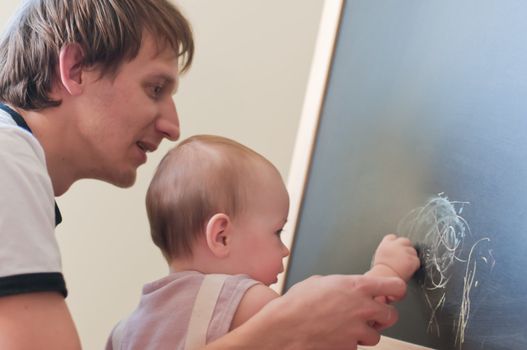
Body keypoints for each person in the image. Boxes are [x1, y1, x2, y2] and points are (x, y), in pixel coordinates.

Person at [0, 1, 416, 349]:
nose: (173, 126)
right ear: (75, 70)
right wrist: (283, 327)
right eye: (155, 88)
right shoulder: (7, 159)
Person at [106, 135, 420, 349]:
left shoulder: (125, 331)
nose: (284, 249)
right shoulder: (240, 299)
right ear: (222, 236)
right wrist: (386, 269)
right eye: (277, 233)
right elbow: (341, 317)